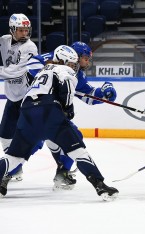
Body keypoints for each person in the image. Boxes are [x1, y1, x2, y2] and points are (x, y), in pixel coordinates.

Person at [0, 45, 119, 200]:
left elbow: (87, 94)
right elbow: (67, 89)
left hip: (27, 110)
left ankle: (60, 173)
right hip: (49, 112)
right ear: (68, 59)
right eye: (82, 59)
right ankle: (100, 185)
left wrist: (103, 94)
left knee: (14, 156)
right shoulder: (64, 68)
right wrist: (68, 109)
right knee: (77, 149)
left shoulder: (49, 68)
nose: (80, 64)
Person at [0, 14, 38, 180]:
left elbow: (17, 72)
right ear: (12, 29)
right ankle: (14, 166)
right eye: (21, 30)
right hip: (12, 96)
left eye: (26, 30)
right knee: (5, 135)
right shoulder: (4, 40)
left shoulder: (30, 48)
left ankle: (15, 165)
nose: (24, 33)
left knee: (30, 136)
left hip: (27, 98)